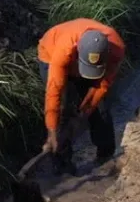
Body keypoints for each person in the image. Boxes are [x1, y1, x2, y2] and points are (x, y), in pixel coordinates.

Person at [37, 18, 125, 174]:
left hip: (84, 58)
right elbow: (53, 93)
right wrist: (52, 131)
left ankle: (105, 156)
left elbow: (102, 86)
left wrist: (84, 113)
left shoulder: (116, 48)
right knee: (63, 109)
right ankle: (63, 166)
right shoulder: (63, 51)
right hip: (50, 53)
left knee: (101, 107)